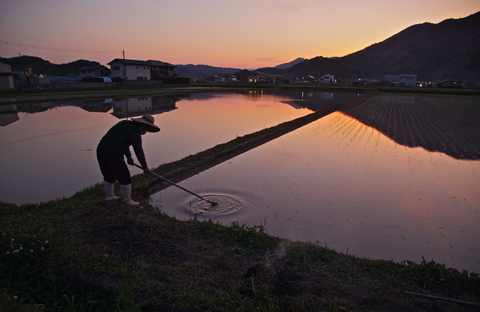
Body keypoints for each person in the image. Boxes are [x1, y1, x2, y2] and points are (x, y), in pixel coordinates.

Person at [96, 114, 160, 205]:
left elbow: (122, 142)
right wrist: (144, 166)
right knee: (124, 176)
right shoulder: (135, 134)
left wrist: (129, 157)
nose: (145, 130)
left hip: (101, 149)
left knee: (109, 174)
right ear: (142, 125)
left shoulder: (124, 123)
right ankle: (126, 200)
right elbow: (139, 152)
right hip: (113, 153)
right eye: (146, 127)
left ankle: (109, 196)